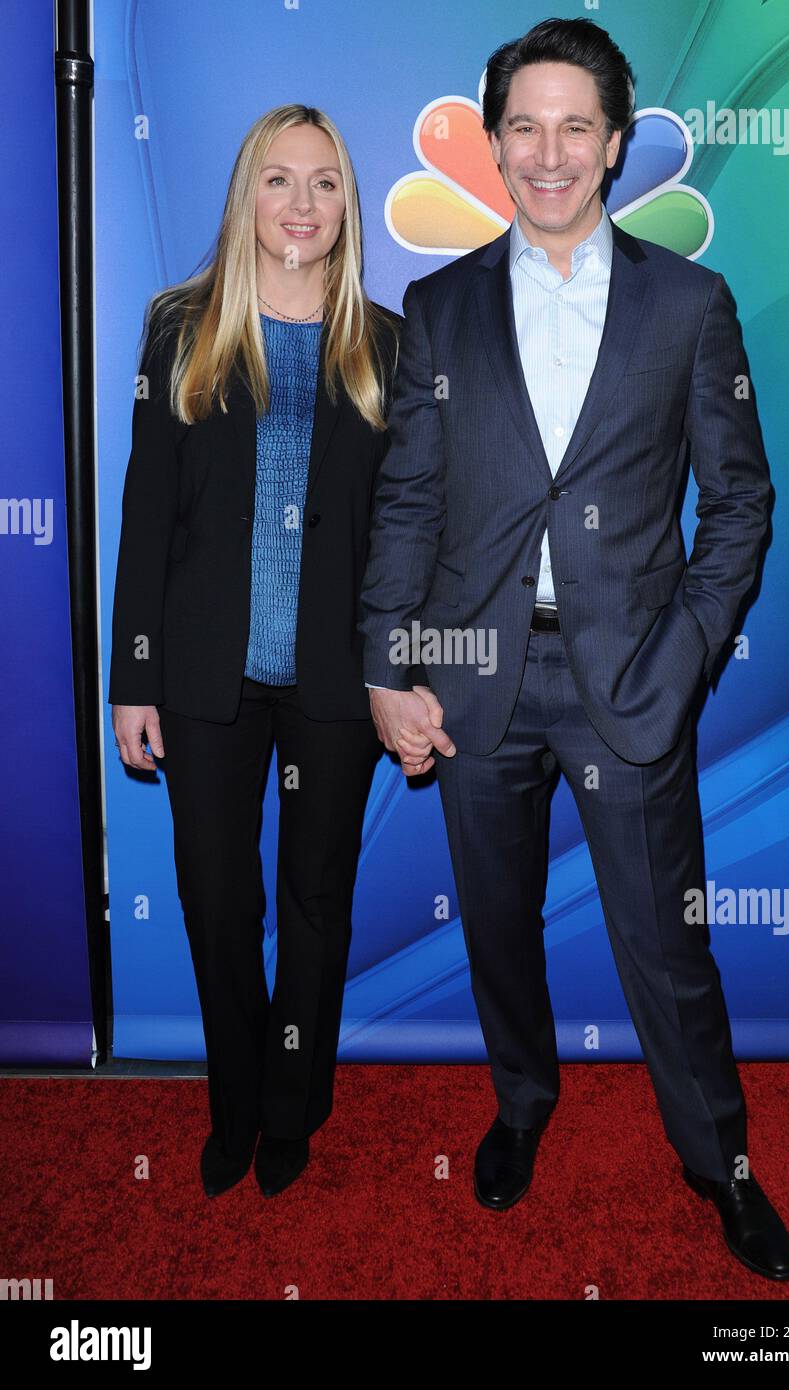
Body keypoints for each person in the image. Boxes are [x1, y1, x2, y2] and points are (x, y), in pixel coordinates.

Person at [359, 18, 789, 1281]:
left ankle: (719, 1161)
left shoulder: (688, 302)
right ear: (494, 141)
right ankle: (520, 1104)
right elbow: (406, 501)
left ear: (611, 145)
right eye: (521, 125)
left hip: (630, 682)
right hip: (473, 680)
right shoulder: (436, 306)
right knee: (494, 924)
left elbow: (741, 501)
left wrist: (685, 655)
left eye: (573, 126)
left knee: (665, 944)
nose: (545, 152)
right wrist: (390, 665)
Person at [109, 105, 402, 1200]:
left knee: (315, 904)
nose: (301, 204)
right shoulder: (179, 327)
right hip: (201, 680)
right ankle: (234, 1100)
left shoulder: (387, 343)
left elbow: (407, 532)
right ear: (246, 196)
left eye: (324, 183)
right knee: (215, 901)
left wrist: (405, 667)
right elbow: (146, 516)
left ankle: (292, 1104)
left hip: (331, 685)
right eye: (278, 180)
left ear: (345, 204)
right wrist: (131, 678)